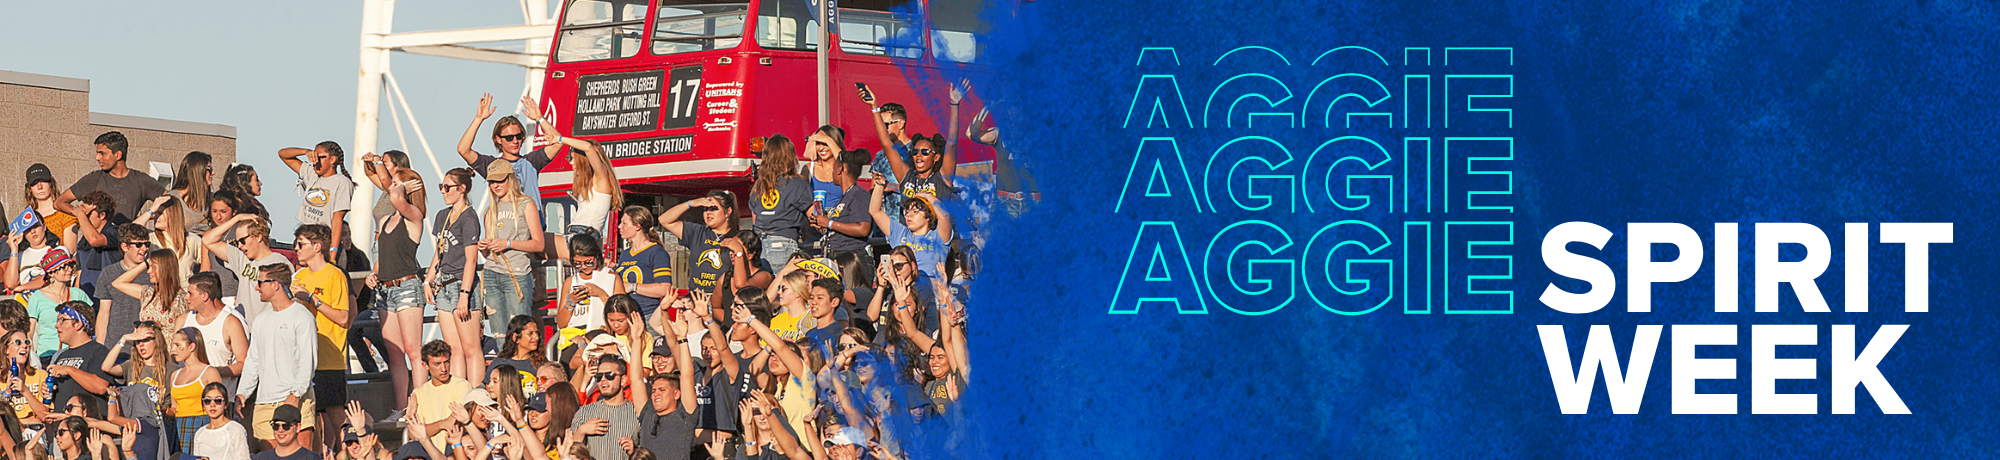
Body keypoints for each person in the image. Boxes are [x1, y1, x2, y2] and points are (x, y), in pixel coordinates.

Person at [237, 263, 318, 451]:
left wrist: (296, 394)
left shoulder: (302, 316)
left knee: (301, 456)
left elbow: (308, 359)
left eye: (260, 282)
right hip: (264, 402)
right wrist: (243, 393)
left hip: (297, 399)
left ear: (276, 284)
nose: (257, 287)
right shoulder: (260, 320)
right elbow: (252, 361)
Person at [527, 100, 621, 255]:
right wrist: (540, 119)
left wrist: (560, 140)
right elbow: (555, 138)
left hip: (583, 235)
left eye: (572, 157)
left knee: (534, 243)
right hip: (577, 234)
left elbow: (588, 147)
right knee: (534, 246)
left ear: (582, 159)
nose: (570, 162)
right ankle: (536, 280)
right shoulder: (591, 183)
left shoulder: (601, 179)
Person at [292, 224, 353, 450]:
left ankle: (349, 451)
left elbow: (344, 317)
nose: (296, 248)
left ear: (317, 247)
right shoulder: (299, 276)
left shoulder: (335, 275)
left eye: (301, 244)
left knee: (336, 411)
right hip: (304, 358)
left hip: (330, 357)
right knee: (310, 417)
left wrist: (311, 299)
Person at [423, 168, 481, 388]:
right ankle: (458, 394)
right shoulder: (442, 216)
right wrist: (428, 280)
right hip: (444, 284)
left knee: (470, 348)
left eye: (447, 187)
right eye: (441, 187)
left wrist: (465, 295)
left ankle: (475, 396)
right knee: (453, 349)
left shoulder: (469, 217)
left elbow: (471, 260)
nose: (443, 191)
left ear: (462, 189)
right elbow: (439, 253)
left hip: (460, 284)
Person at [477, 161, 545, 338]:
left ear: (511, 179)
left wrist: (508, 243)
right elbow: (489, 252)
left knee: (520, 333)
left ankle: (521, 365)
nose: (495, 185)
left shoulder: (526, 204)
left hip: (518, 274)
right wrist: (483, 248)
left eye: (500, 180)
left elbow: (539, 244)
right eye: (492, 181)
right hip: (492, 273)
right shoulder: (489, 211)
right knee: (500, 335)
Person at [456, 94, 560, 208]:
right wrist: (478, 118)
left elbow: (558, 142)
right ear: (498, 139)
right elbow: (463, 150)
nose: (515, 141)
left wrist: (539, 119)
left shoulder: (531, 162)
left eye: (518, 136)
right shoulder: (492, 166)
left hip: (532, 224)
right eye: (509, 138)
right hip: (506, 223)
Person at [55, 132, 165, 225]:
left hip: (127, 245)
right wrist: (80, 213)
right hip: (97, 246)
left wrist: (147, 216)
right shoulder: (94, 179)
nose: (97, 158)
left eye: (102, 154)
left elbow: (171, 202)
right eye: (97, 153)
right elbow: (59, 202)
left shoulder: (141, 180)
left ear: (118, 155)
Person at [201, 214, 290, 324]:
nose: (239, 246)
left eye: (243, 241)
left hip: (267, 327)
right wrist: (237, 218)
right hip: (243, 328)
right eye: (236, 242)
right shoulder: (241, 258)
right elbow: (208, 240)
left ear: (258, 236)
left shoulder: (280, 262)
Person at [103, 323, 172, 460]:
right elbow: (106, 367)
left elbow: (174, 410)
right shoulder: (131, 366)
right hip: (131, 431)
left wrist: (161, 409)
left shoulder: (171, 370)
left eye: (145, 340)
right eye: (137, 340)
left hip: (156, 431)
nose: (141, 345)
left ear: (157, 340)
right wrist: (124, 338)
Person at [278, 142, 353, 265]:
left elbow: (337, 220)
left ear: (332, 159)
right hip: (305, 237)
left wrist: (333, 253)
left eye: (320, 157)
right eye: (314, 157)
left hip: (324, 240)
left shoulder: (342, 182)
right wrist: (306, 151)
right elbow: (283, 154)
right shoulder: (311, 173)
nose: (315, 161)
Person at [638, 304, 697, 460]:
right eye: (655, 390)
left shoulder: (685, 416)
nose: (656, 393)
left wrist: (682, 338)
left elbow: (687, 375)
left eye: (662, 390)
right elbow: (636, 379)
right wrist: (637, 340)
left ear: (677, 394)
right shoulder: (647, 414)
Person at [749, 134, 812, 269]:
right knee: (785, 288)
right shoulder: (797, 184)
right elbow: (813, 215)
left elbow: (756, 220)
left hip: (760, 246)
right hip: (784, 245)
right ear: (790, 157)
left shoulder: (758, 186)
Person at [177, 272, 247, 393]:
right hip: (187, 396)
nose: (186, 297)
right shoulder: (183, 320)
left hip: (217, 399)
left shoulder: (230, 322)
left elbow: (243, 364)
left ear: (204, 296)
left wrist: (212, 371)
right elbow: (173, 357)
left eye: (190, 293)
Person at [869, 181, 954, 280]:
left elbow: (944, 216)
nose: (909, 215)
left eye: (915, 212)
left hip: (930, 291)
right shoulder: (900, 233)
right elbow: (875, 211)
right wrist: (879, 185)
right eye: (907, 212)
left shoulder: (938, 236)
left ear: (928, 217)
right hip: (903, 290)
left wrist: (927, 196)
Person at [660, 191, 740, 294]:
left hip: (723, 299)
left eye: (713, 209)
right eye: (705, 209)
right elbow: (664, 220)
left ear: (728, 212)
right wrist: (691, 203)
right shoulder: (697, 232)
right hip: (696, 298)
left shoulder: (738, 237)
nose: (708, 213)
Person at [613, 207, 674, 333]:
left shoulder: (657, 252)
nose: (619, 226)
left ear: (637, 226)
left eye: (624, 223)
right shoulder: (625, 254)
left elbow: (664, 289)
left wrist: (632, 287)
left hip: (648, 317)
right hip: (626, 318)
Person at [810, 148, 875, 263]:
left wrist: (829, 223)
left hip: (851, 259)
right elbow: (838, 229)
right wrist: (822, 226)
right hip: (835, 256)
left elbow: (863, 228)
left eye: (833, 168)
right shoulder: (843, 198)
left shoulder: (859, 194)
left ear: (840, 169)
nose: (832, 172)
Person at [571, 353, 642, 460]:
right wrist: (582, 430)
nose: (603, 380)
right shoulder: (585, 412)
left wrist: (635, 451)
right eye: (599, 377)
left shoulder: (637, 412)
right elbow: (569, 452)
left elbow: (649, 450)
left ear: (623, 380)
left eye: (610, 375)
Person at [48, 300, 112, 417]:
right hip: (63, 427)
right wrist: (49, 390)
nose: (56, 325)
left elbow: (101, 387)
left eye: (62, 320)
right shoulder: (60, 356)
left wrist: (69, 370)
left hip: (89, 427)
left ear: (78, 324)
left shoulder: (99, 351)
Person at [167, 327, 222, 456]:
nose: (173, 350)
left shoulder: (209, 372)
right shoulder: (175, 375)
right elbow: (174, 408)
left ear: (191, 346)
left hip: (202, 423)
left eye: (177, 345)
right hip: (179, 426)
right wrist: (163, 410)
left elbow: (219, 404)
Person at [26, 250, 89, 359]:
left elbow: (91, 323)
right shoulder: (37, 297)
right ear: (51, 273)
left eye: (70, 266)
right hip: (48, 355)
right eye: (64, 267)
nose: (69, 270)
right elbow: (29, 332)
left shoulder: (78, 294)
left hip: (77, 353)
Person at [410, 340, 470, 453]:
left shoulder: (462, 385)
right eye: (437, 364)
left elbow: (454, 424)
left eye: (446, 362)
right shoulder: (418, 392)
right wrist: (442, 424)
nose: (443, 368)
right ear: (425, 365)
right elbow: (414, 435)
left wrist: (427, 429)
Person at [95, 224, 151, 345]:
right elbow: (104, 313)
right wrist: (99, 346)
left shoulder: (153, 272)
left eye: (147, 244)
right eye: (138, 245)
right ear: (125, 247)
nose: (144, 249)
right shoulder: (108, 273)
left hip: (147, 342)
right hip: (116, 343)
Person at [557, 233, 620, 340]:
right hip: (575, 335)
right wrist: (570, 302)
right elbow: (561, 323)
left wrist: (601, 294)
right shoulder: (570, 281)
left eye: (589, 262)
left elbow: (621, 313)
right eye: (577, 264)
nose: (584, 267)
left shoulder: (611, 277)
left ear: (597, 256)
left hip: (602, 333)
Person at [108, 248, 187, 327]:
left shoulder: (181, 298)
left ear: (164, 268)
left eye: (153, 267)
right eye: (149, 267)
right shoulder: (148, 293)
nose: (148, 271)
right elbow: (117, 283)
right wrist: (145, 262)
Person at [135, 196, 203, 282]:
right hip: (158, 291)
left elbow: (207, 268)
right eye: (155, 213)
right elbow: (130, 232)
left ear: (173, 214)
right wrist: (150, 210)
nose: (155, 217)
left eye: (160, 213)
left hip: (184, 292)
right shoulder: (150, 238)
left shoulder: (193, 240)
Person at [69, 191, 121, 299]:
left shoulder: (115, 232)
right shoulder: (84, 240)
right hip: (87, 300)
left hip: (108, 300)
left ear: (102, 215)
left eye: (87, 214)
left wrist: (80, 214)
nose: (84, 217)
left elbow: (95, 240)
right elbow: (79, 274)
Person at [22, 163, 78, 251]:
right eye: (34, 183)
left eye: (43, 181)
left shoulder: (65, 213)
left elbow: (70, 250)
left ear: (51, 184)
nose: (39, 186)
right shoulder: (26, 217)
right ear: (30, 188)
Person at [192, 382, 250, 460]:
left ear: (225, 404)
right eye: (207, 401)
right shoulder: (200, 433)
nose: (212, 405)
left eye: (218, 400)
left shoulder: (235, 429)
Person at [5, 208, 57, 293]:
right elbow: (10, 284)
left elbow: (52, 276)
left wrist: (23, 287)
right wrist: (14, 250)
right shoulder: (20, 256)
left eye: (36, 226)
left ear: (44, 226)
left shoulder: (57, 250)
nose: (33, 231)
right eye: (28, 229)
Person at [487, 315, 544, 394]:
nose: (536, 337)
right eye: (530, 333)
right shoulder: (499, 363)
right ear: (515, 338)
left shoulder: (541, 364)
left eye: (537, 333)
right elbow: (489, 390)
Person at [166, 151, 216, 232]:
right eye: (209, 169)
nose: (213, 173)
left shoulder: (212, 199)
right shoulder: (173, 199)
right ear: (197, 171)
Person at [253, 404, 319, 460]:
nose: (280, 430)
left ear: (298, 427)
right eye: (276, 426)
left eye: (286, 426)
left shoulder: (311, 458)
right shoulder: (261, 458)